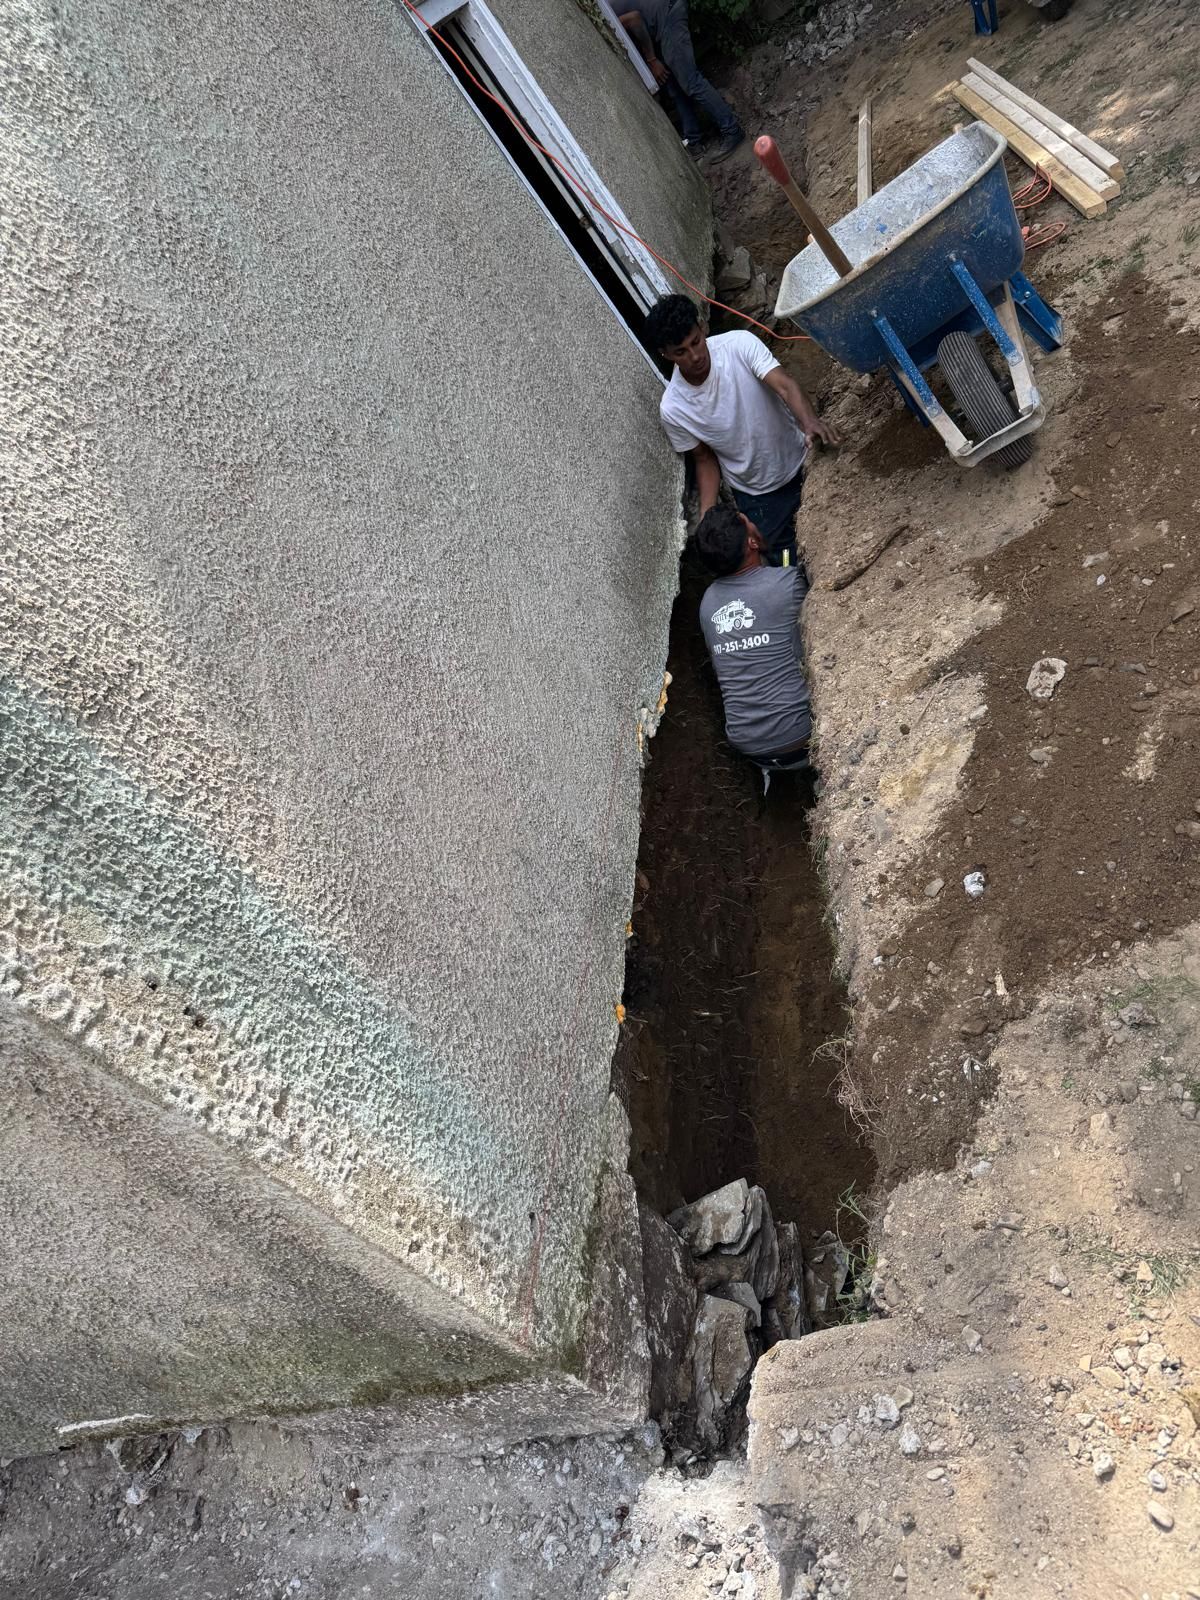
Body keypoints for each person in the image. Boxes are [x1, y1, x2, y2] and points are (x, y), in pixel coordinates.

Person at [647, 294, 839, 566]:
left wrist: (809, 421)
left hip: (803, 460)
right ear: (665, 354)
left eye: (695, 342)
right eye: (681, 352)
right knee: (785, 558)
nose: (695, 355)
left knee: (832, 526)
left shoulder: (739, 345)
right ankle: (798, 591)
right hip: (758, 498)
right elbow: (704, 458)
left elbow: (785, 385)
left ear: (702, 328)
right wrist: (707, 515)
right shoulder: (674, 408)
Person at [694, 503, 812, 769]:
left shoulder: (707, 604)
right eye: (749, 522)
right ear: (752, 543)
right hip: (802, 737)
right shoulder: (788, 584)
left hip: (749, 748)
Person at [618, 3, 745, 163]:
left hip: (668, 16)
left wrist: (651, 60)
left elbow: (634, 19)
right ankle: (693, 141)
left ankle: (732, 130)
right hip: (660, 23)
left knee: (690, 81)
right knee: (673, 85)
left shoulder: (601, 9)